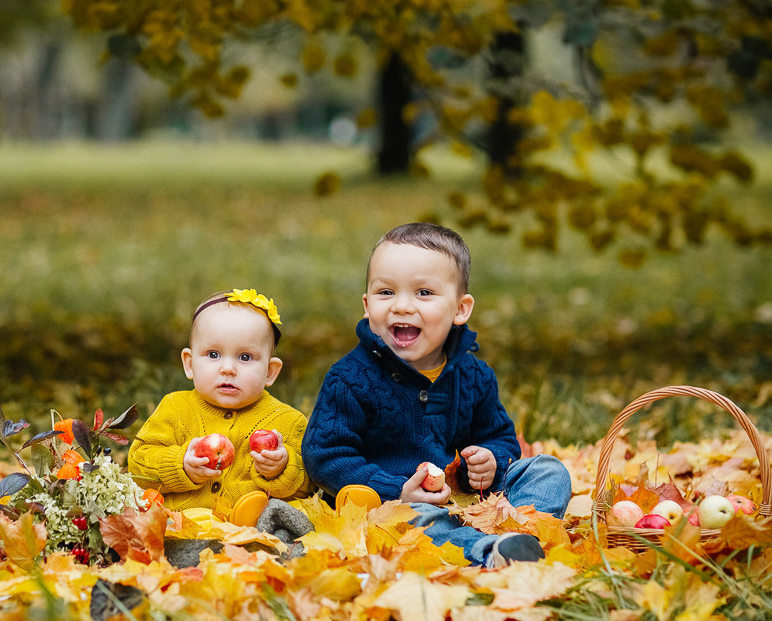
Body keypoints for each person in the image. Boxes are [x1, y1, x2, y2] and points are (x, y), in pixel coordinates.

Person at [302, 223, 572, 567]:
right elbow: (324, 456)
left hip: (466, 501)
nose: (401, 306)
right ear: (367, 306)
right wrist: (394, 491)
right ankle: (486, 552)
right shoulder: (350, 379)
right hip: (394, 508)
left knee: (548, 470)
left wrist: (489, 461)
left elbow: (498, 437)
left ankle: (520, 537)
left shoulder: (474, 376)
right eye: (386, 293)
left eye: (423, 293)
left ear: (460, 309)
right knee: (409, 519)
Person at [128, 288, 312, 525]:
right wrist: (181, 465)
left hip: (257, 528)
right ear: (190, 363)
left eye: (245, 357)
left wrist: (281, 468)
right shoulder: (174, 408)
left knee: (292, 521)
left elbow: (308, 486)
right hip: (185, 524)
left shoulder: (287, 420)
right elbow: (138, 466)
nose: (228, 368)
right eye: (213, 354)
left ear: (270, 371)